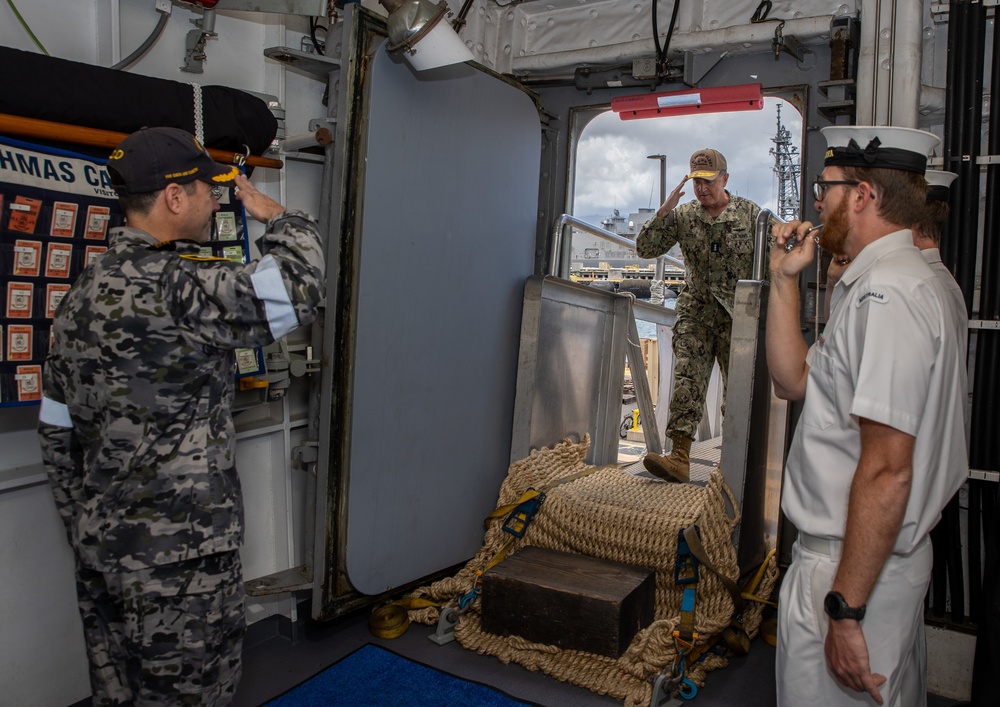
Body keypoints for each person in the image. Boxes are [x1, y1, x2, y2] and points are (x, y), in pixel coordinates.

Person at [37, 127, 326, 705]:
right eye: (206, 189)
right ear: (174, 197)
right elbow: (298, 286)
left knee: (119, 694)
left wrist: (88, 525)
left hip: (106, 549)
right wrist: (281, 217)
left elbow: (56, 430)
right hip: (181, 563)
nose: (216, 200)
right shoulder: (176, 288)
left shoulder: (78, 298)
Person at [767, 126, 968, 706]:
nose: (814, 203)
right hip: (861, 557)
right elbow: (794, 381)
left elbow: (887, 470)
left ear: (861, 196)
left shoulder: (889, 294)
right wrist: (785, 279)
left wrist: (845, 609)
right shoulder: (878, 283)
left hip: (850, 564)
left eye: (822, 189)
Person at [635, 148, 761, 482]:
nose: (701, 189)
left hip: (739, 316)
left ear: (725, 179)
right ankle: (679, 457)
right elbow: (645, 249)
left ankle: (735, 459)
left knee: (736, 388)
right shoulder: (684, 215)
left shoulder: (750, 214)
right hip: (696, 311)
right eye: (695, 182)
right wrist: (664, 212)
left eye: (708, 181)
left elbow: (772, 264)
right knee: (687, 379)